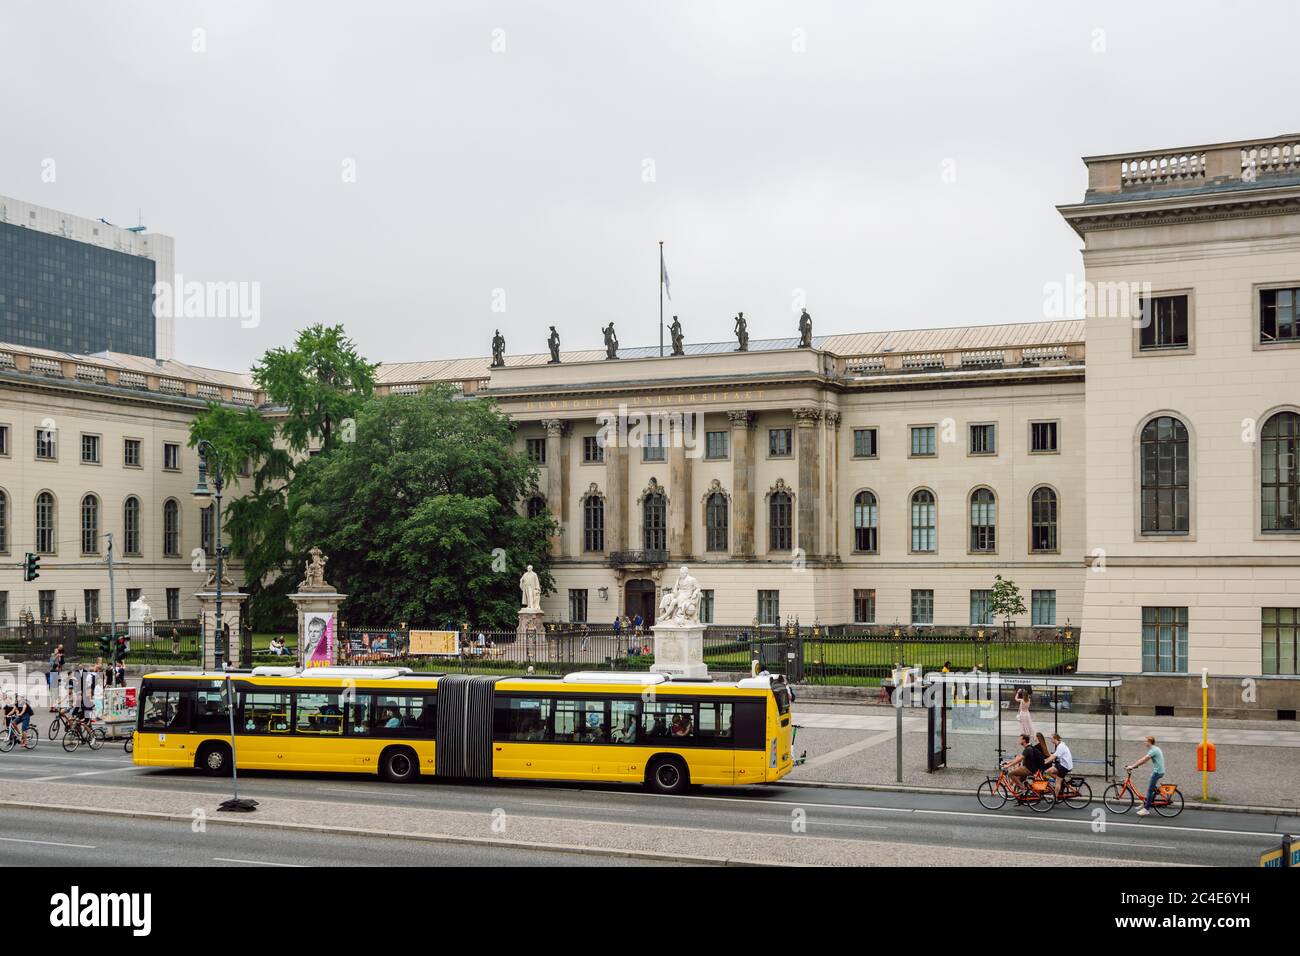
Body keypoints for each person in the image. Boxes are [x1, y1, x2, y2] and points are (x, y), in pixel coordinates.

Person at [1128, 735, 1166, 817]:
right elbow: (1143, 760)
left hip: (1157, 772)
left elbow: (1143, 760)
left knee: (1149, 790)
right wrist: (1135, 765)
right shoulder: (1156, 748)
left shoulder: (1153, 751)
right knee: (1151, 788)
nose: (1144, 742)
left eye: (1145, 741)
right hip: (1160, 771)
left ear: (1149, 742)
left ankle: (1146, 809)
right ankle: (1146, 802)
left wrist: (1132, 766)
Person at [1045, 732, 1074, 796]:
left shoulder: (1060, 746)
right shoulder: (1060, 744)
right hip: (1062, 764)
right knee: (1047, 772)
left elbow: (1054, 756)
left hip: (1065, 766)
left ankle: (1055, 797)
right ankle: (1062, 781)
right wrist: (1046, 760)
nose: (1050, 740)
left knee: (1058, 781)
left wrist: (1046, 762)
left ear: (1055, 739)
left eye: (1051, 738)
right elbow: (1053, 755)